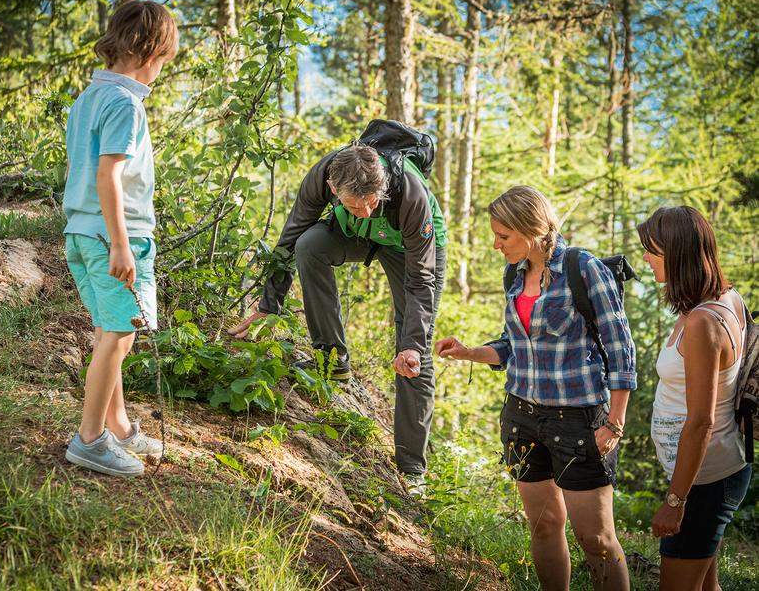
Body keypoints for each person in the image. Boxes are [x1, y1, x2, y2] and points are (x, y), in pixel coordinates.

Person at [434, 185, 636, 590]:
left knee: (596, 540)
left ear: (532, 228)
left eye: (503, 236)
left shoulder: (585, 269)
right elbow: (514, 346)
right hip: (522, 418)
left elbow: (621, 349)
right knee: (544, 527)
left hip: (579, 421)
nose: (496, 245)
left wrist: (614, 423)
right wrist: (469, 352)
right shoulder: (514, 274)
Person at [228, 133, 447, 484]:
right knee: (309, 244)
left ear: (382, 186)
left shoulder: (409, 194)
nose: (366, 210)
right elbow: (290, 236)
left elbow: (421, 281)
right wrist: (270, 305)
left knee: (413, 354)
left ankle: (412, 471)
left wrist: (412, 343)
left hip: (413, 250)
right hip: (360, 235)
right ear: (332, 188)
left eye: (373, 203)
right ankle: (332, 361)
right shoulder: (321, 177)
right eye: (354, 205)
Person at [62, 0, 178, 477]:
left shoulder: (88, 97)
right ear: (151, 53)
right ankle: (89, 440)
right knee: (119, 332)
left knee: (112, 332)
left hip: (80, 231)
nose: (161, 71)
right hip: (113, 235)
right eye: (164, 61)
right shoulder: (126, 104)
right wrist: (121, 243)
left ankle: (120, 427)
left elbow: (80, 169)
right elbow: (109, 175)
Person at [638, 206, 751, 591]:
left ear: (679, 252)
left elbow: (701, 421)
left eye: (652, 250)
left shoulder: (704, 322)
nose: (645, 258)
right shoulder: (723, 298)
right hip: (707, 474)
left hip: (704, 480)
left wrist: (675, 501)